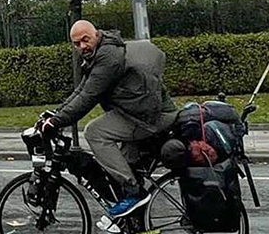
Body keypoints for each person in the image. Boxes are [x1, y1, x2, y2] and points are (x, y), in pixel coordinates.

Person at [38, 20, 178, 219]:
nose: (82, 47)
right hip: (139, 113)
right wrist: (56, 114)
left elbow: (88, 97)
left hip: (151, 118)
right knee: (123, 168)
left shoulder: (108, 58)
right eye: (76, 44)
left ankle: (134, 192)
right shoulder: (100, 53)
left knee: (95, 132)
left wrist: (57, 122)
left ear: (96, 34)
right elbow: (81, 90)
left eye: (85, 40)